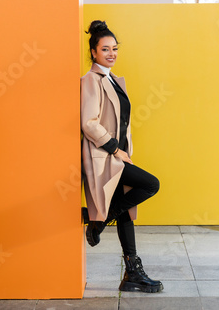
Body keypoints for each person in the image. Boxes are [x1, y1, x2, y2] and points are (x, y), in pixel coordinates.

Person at [81, 20, 163, 293]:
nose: (112, 53)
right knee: (151, 184)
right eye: (105, 49)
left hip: (118, 155)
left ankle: (132, 273)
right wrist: (116, 149)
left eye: (115, 48)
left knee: (125, 213)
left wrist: (123, 150)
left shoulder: (114, 80)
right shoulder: (91, 81)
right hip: (105, 157)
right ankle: (100, 220)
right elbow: (89, 123)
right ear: (93, 52)